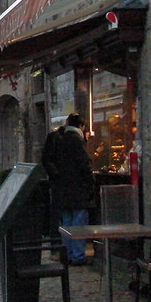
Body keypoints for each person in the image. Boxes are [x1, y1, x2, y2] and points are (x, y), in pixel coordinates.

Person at [41, 113, 96, 265]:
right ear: (82, 126)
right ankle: (77, 256)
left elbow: (48, 160)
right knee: (78, 223)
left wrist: (57, 177)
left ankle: (67, 253)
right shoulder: (76, 140)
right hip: (77, 189)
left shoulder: (59, 138)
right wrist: (90, 183)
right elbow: (84, 164)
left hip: (62, 189)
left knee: (66, 223)